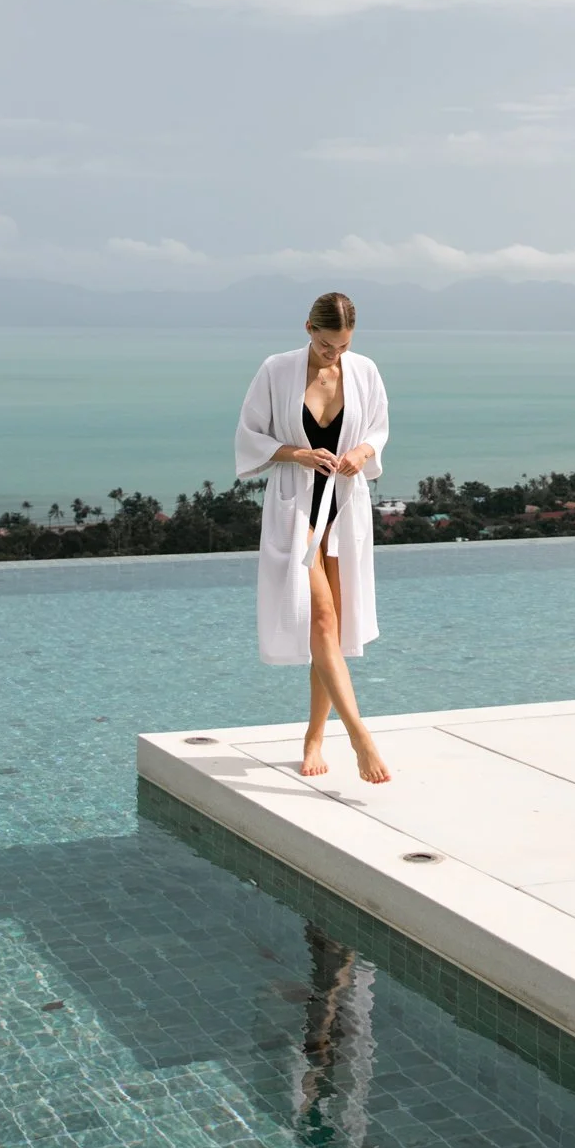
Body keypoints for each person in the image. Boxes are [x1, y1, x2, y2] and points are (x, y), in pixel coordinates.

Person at [235, 291, 391, 782]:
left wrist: (361, 453)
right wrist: (297, 454)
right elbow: (249, 435)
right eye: (326, 345)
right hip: (296, 504)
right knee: (320, 618)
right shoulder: (276, 370)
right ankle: (361, 737)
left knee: (335, 632)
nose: (334, 354)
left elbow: (378, 431)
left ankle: (315, 735)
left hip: (345, 505)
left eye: (343, 346)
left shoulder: (364, 371)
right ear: (308, 328)